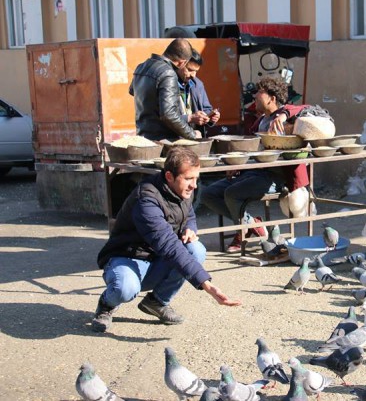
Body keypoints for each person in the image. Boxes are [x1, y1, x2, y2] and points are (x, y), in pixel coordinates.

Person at [91, 147, 241, 333]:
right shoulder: (146, 200)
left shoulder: (183, 189)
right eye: (188, 179)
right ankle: (106, 305)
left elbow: (189, 215)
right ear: (169, 176)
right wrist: (207, 285)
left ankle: (157, 302)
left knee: (196, 249)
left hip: (156, 260)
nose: (194, 185)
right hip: (127, 257)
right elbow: (169, 246)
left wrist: (189, 228)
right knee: (125, 289)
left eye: (196, 178)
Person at [200, 76, 309, 252]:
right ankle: (250, 223)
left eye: (259, 92)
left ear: (272, 98)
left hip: (276, 178)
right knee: (208, 194)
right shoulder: (259, 121)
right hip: (252, 172)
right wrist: (237, 165)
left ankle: (243, 228)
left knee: (231, 194)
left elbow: (309, 109)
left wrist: (284, 115)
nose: (255, 96)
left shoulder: (287, 118)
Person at [129, 38, 200, 141]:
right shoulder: (168, 73)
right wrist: (192, 134)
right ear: (182, 63)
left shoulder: (141, 67)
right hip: (163, 142)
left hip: (143, 137)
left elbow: (132, 91)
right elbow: (169, 115)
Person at [176, 48, 220, 138]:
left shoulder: (198, 84)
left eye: (196, 71)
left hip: (195, 138)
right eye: (190, 69)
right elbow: (166, 116)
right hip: (174, 138)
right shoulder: (168, 85)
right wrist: (190, 118)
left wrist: (211, 117)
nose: (193, 75)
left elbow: (206, 108)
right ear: (180, 64)